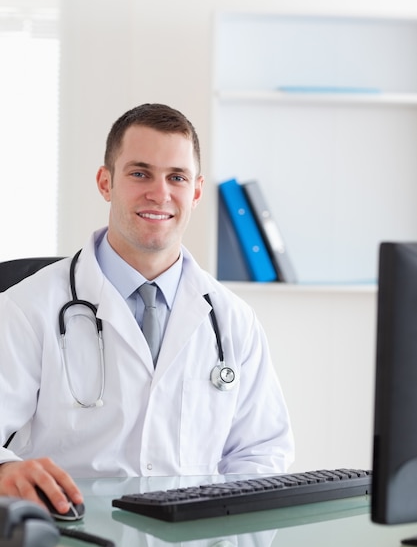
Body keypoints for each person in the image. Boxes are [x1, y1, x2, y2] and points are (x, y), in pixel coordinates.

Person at [0, 103, 294, 515]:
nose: (160, 193)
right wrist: (5, 471)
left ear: (195, 191)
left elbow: (261, 452)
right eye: (140, 174)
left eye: (177, 177)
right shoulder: (26, 307)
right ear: (106, 183)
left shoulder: (232, 319)